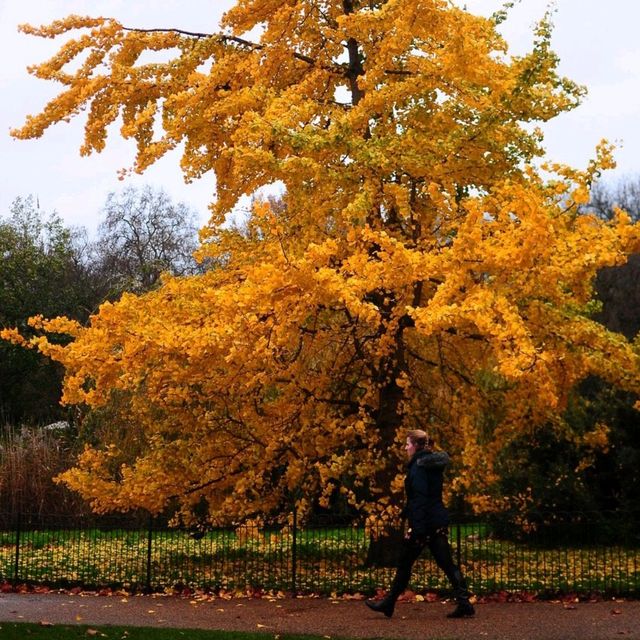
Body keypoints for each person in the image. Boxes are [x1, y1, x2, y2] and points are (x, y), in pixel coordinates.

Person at [365, 429, 475, 619]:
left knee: (405, 563)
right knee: (447, 564)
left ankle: (389, 603)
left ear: (415, 446)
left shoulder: (418, 467)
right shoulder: (432, 465)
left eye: (407, 444)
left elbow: (419, 500)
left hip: (424, 525)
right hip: (436, 522)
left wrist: (415, 529)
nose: (406, 448)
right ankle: (464, 603)